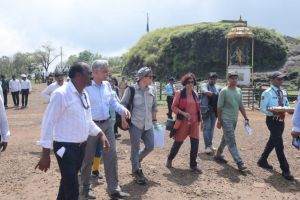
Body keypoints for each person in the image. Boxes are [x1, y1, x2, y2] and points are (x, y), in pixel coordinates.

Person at [35, 62, 110, 200]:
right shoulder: (61, 94)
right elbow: (48, 123)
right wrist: (45, 154)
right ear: (77, 75)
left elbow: (88, 121)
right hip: (64, 148)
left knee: (66, 183)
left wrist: (101, 134)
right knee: (73, 188)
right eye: (89, 73)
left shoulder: (84, 94)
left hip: (81, 147)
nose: (91, 76)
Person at [81, 60, 130, 199]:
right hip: (91, 126)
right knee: (88, 157)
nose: (107, 73)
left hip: (107, 124)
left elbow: (113, 103)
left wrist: (123, 110)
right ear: (95, 72)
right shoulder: (86, 87)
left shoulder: (107, 85)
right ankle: (85, 187)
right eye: (105, 71)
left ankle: (113, 188)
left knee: (111, 155)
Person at [121, 66, 158, 185]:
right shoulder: (131, 90)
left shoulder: (152, 90)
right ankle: (136, 170)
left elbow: (154, 106)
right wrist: (123, 119)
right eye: (150, 76)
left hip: (148, 124)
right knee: (135, 148)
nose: (152, 78)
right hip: (135, 124)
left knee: (150, 146)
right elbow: (122, 105)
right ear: (143, 77)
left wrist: (154, 119)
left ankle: (136, 159)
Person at [258, 71, 294, 180]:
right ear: (272, 80)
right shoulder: (267, 93)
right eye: (279, 79)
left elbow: (286, 104)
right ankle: (285, 169)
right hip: (272, 120)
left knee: (273, 141)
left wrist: (289, 110)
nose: (281, 81)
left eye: (282, 79)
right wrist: (273, 112)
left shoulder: (283, 92)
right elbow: (262, 108)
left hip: (281, 121)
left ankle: (262, 160)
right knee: (279, 144)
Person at [165, 73, 202, 173]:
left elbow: (198, 109)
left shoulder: (195, 94)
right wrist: (183, 113)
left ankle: (193, 165)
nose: (190, 84)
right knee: (178, 141)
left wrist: (200, 121)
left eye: (192, 82)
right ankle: (169, 158)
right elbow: (173, 107)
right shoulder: (179, 93)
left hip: (194, 122)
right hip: (183, 122)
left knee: (195, 142)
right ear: (185, 83)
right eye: (188, 82)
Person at [214, 71, 248, 171]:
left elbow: (240, 105)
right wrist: (219, 121)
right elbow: (219, 107)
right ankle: (239, 162)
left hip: (234, 119)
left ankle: (218, 154)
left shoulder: (238, 91)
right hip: (225, 119)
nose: (234, 80)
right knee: (231, 141)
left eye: (235, 78)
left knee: (226, 138)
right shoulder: (224, 91)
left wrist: (246, 117)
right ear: (228, 79)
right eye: (232, 78)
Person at [200, 72, 221, 154]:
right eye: (211, 78)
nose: (213, 80)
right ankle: (207, 146)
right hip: (206, 109)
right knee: (206, 128)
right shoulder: (204, 85)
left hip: (214, 110)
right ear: (208, 79)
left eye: (214, 78)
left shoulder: (218, 87)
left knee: (211, 128)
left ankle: (210, 144)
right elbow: (206, 92)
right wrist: (216, 95)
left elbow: (223, 93)